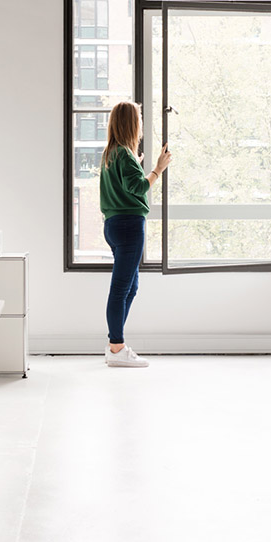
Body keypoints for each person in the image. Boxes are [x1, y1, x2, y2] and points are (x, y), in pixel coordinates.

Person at [99, 100, 171, 367]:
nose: (140, 125)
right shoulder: (125, 156)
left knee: (131, 286)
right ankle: (116, 348)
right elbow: (138, 188)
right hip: (129, 225)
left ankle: (115, 344)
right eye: (138, 120)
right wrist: (157, 169)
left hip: (114, 225)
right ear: (132, 124)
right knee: (121, 288)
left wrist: (137, 164)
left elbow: (124, 183)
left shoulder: (111, 153)